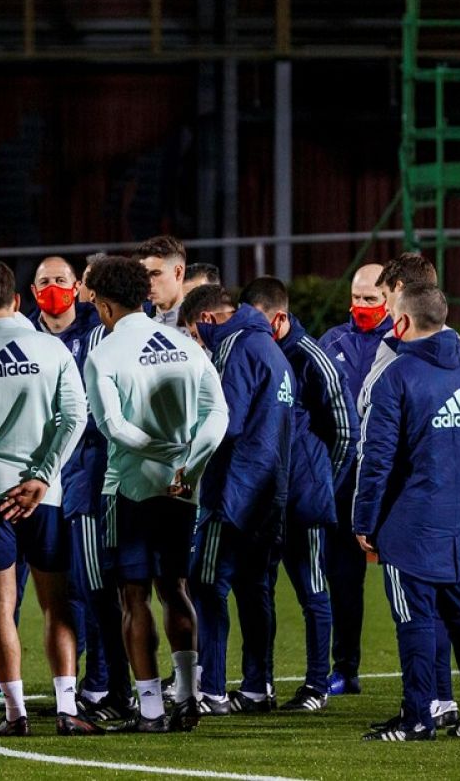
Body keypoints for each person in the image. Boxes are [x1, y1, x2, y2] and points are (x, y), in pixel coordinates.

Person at [354, 282, 460, 742]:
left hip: (409, 528)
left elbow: (376, 458)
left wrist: (364, 520)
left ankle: (417, 717)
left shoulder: (397, 377)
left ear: (400, 323)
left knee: (415, 620)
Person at [0, 261, 96, 737]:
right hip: (44, 496)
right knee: (57, 603)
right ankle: (67, 708)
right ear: (17, 299)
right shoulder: (50, 348)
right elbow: (74, 416)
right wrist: (43, 476)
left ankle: (15, 714)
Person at [82, 255, 226, 733]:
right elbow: (218, 414)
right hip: (183, 489)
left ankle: (149, 709)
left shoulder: (103, 353)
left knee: (134, 597)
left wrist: (157, 454)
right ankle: (186, 697)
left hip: (131, 488)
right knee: (176, 589)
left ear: (103, 306)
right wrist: (189, 464)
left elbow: (113, 428)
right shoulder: (184, 345)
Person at [240, 276, 353, 712]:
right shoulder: (255, 352)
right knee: (258, 590)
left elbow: (344, 430)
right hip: (264, 500)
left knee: (312, 590)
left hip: (301, 498)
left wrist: (321, 478)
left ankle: (316, 686)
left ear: (280, 318)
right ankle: (259, 685)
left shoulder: (312, 359)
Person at [180, 284, 293, 714]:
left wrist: (189, 460)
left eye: (194, 333)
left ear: (207, 321)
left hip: (233, 492)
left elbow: (226, 422)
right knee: (255, 588)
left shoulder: (235, 347)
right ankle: (257, 686)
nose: (197, 343)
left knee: (206, 585)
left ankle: (211, 688)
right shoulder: (273, 351)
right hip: (270, 492)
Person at [30, 256, 131, 720]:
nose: (53, 288)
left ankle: (105, 683)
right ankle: (83, 682)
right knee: (53, 586)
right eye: (44, 281)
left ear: (79, 289)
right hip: (41, 478)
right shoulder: (25, 337)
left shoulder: (98, 334)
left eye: (62, 280)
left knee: (96, 582)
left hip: (87, 473)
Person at [317, 261, 389, 695]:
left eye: (370, 299)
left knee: (414, 579)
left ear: (388, 300)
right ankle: (345, 668)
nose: (360, 306)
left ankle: (432, 675)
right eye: (356, 297)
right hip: (343, 480)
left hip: (389, 480)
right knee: (342, 578)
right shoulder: (332, 342)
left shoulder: (402, 342)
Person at [136, 235, 188, 329]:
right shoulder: (137, 322)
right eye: (144, 275)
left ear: (178, 272)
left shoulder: (201, 321)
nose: (148, 283)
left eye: (155, 273)